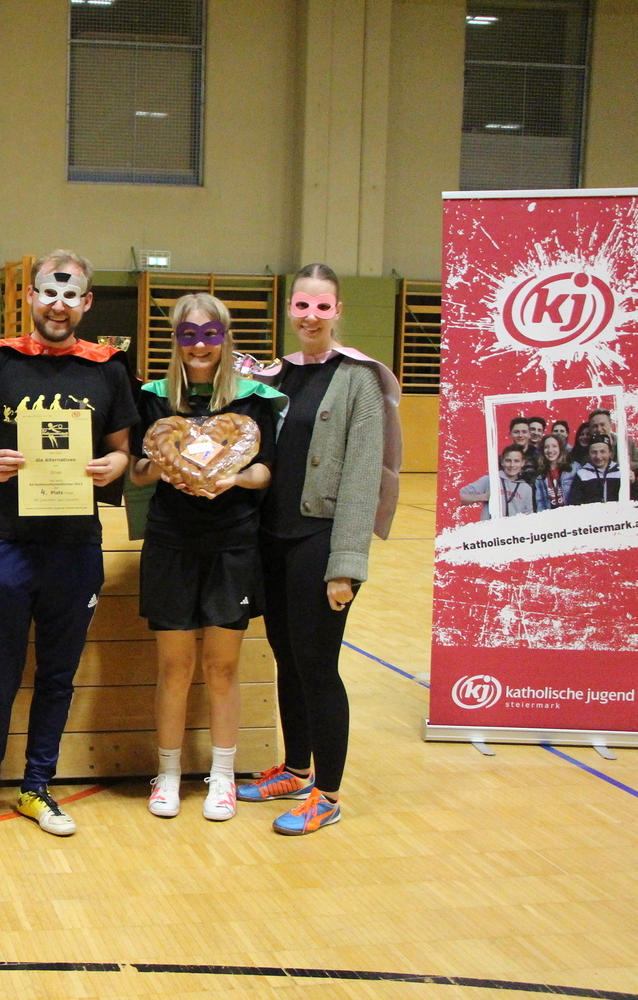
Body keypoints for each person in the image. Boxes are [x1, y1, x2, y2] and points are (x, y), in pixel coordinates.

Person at [0, 249, 136, 838]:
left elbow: (123, 451)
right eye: (49, 293)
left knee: (57, 672)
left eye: (70, 295)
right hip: (8, 542)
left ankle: (36, 786)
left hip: (76, 545)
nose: (58, 305)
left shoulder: (107, 369)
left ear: (86, 302)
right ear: (30, 297)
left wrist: (111, 467)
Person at [238, 263, 401, 835]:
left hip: (320, 541)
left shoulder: (359, 380)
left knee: (317, 666)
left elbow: (362, 476)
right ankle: (295, 768)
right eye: (302, 305)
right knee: (285, 656)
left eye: (322, 307)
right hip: (272, 540)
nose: (311, 316)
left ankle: (327, 794)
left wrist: (346, 566)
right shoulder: (273, 374)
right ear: (289, 309)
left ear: (338, 312)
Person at [129, 294, 283, 822]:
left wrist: (229, 477)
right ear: (176, 339)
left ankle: (222, 776)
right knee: (174, 667)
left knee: (222, 667)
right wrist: (162, 464)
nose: (200, 345)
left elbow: (265, 471)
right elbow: (138, 472)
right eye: (189, 335)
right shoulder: (153, 399)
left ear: (225, 337)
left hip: (232, 544)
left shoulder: (253, 400)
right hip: (171, 542)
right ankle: (168, 774)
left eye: (210, 334)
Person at [459, 445, 535, 519]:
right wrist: (484, 497)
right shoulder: (490, 479)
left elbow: (528, 516)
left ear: (523, 463)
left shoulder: (526, 488)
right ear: (502, 461)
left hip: (513, 528)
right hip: (491, 527)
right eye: (508, 461)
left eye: (516, 461)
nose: (512, 465)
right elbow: (459, 497)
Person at [568, 437, 638, 504]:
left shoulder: (622, 473)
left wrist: (633, 483)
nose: (598, 456)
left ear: (610, 453)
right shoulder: (582, 474)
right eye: (594, 452)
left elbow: (637, 500)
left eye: (602, 452)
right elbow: (574, 503)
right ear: (589, 453)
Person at [588, 409, 638, 478]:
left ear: (611, 425)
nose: (599, 429)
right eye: (595, 426)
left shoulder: (626, 442)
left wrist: (625, 465)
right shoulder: (586, 446)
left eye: (602, 425)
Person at [535, 433, 575, 511]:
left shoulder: (573, 468)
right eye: (546, 447)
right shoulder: (540, 474)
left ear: (560, 448)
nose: (550, 450)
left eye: (554, 446)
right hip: (550, 516)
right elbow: (540, 502)